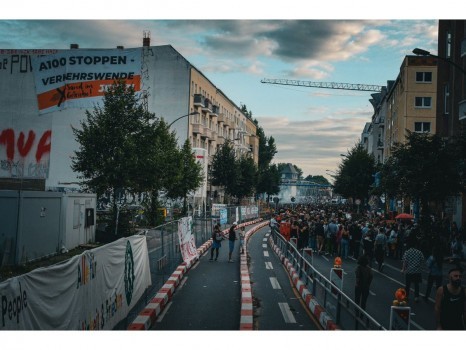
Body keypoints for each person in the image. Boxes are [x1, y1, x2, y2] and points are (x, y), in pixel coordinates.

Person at [401, 237, 424, 302]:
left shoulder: (407, 252)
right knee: (416, 285)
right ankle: (416, 297)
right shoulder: (419, 252)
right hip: (417, 271)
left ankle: (406, 296)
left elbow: (405, 262)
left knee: (407, 285)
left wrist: (403, 269)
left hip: (409, 271)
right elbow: (422, 260)